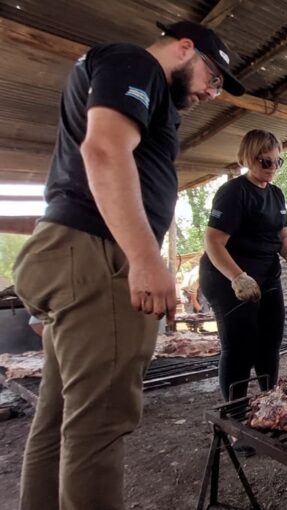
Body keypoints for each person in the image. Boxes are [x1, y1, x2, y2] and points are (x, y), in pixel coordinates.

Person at [12, 21, 243, 510]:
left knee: (56, 421)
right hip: (98, 253)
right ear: (185, 48)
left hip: (73, 249)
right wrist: (143, 256)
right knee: (98, 427)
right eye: (213, 76)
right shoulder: (137, 64)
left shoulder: (125, 74)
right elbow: (103, 150)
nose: (211, 92)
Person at [200, 129, 287, 401]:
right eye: (264, 161)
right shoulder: (233, 192)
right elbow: (213, 241)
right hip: (226, 275)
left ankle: (270, 404)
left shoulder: (277, 194)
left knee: (270, 341)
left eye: (277, 161)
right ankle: (236, 412)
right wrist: (238, 278)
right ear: (248, 158)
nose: (272, 168)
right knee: (240, 345)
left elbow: (283, 235)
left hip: (267, 275)